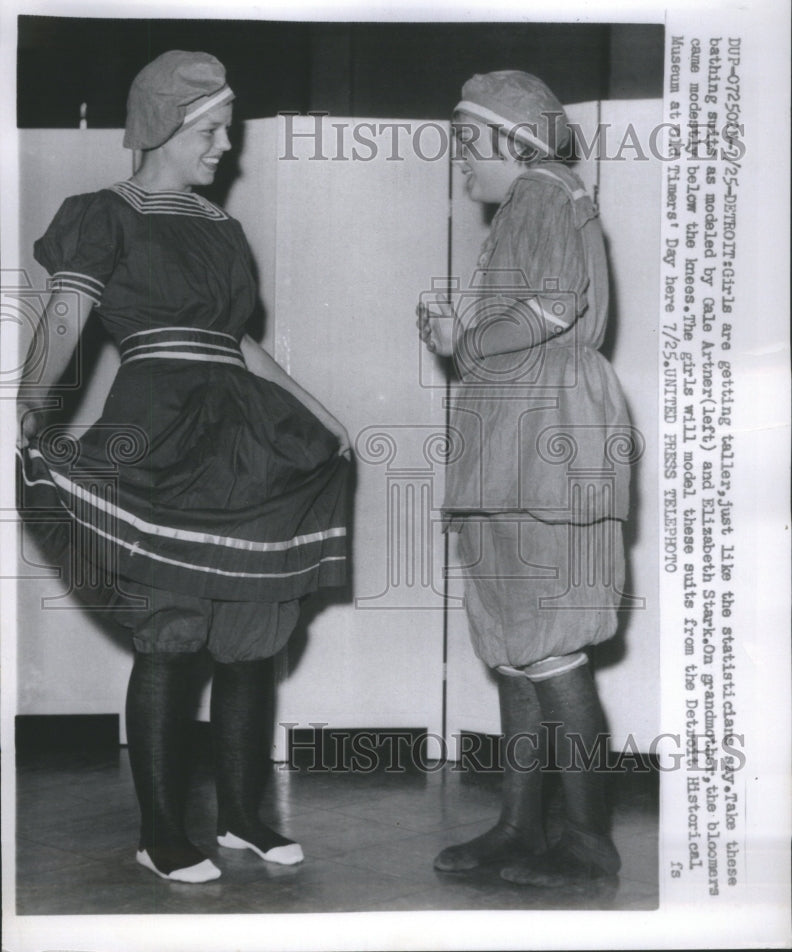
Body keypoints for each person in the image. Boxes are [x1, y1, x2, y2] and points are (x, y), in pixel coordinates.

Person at [17, 51, 351, 884]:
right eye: (210, 129)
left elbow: (237, 340)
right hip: (159, 426)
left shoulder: (221, 228)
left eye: (225, 128)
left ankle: (242, 817)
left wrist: (320, 414)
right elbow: (67, 313)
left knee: (248, 635)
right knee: (172, 633)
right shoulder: (102, 214)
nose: (225, 145)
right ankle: (162, 829)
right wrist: (29, 398)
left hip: (241, 430)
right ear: (164, 126)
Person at [417, 71, 634, 888]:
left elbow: (552, 305)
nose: (462, 160)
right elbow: (538, 314)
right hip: (514, 437)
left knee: (551, 649)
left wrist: (465, 344)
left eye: (469, 142)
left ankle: (585, 842)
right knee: (517, 648)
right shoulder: (533, 201)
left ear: (518, 141)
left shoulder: (546, 189)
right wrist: (462, 336)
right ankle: (519, 825)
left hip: (546, 439)